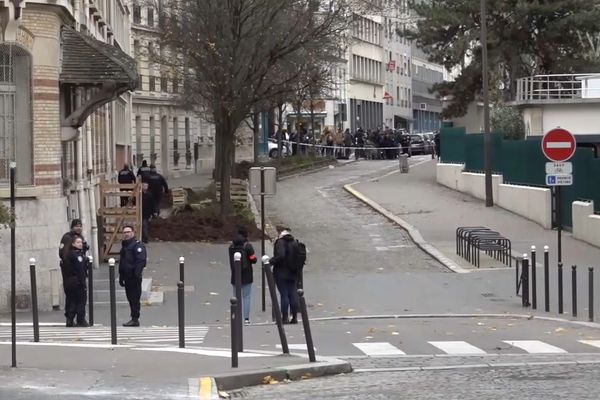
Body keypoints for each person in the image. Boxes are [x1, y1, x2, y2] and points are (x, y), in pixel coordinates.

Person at [269, 225, 299, 324]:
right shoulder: (294, 242)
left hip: (281, 272)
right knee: (293, 294)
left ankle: (285, 317)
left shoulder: (280, 242)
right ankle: (294, 317)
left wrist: (271, 261)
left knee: (284, 294)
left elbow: (281, 255)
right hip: (293, 271)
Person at [118, 225, 147, 327]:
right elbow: (122, 263)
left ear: (133, 233)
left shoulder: (137, 245)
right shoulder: (125, 246)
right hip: (127, 277)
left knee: (134, 298)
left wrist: (136, 274)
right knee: (130, 298)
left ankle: (135, 318)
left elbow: (141, 260)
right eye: (124, 232)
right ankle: (133, 318)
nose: (126, 234)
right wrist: (121, 276)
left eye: (128, 232)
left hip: (134, 277)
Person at [228, 226, 257, 325]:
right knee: (246, 297)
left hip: (235, 275)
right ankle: (246, 319)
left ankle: (236, 317)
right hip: (247, 275)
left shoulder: (231, 247)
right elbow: (254, 259)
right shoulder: (247, 246)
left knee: (236, 297)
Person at [60, 236, 89, 327]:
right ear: (73, 244)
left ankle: (70, 319)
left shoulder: (68, 255)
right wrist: (83, 283)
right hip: (76, 281)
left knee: (71, 300)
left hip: (68, 281)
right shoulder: (77, 255)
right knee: (81, 300)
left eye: (81, 242)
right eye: (78, 242)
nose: (80, 244)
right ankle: (80, 320)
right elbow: (80, 270)